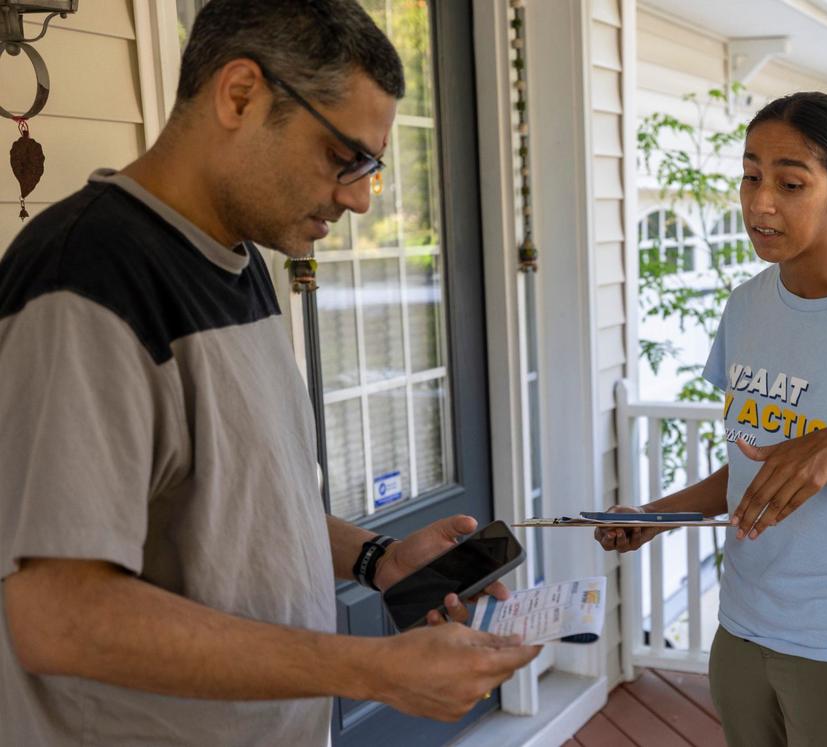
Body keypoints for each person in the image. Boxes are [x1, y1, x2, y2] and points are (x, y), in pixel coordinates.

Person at [0, 2, 539, 745]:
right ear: (241, 95)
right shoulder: (86, 279)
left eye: (371, 169)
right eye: (346, 156)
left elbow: (239, 511)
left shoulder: (238, 257)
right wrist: (371, 668)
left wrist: (378, 558)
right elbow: (59, 617)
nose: (357, 196)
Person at [596, 92, 827, 747]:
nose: (759, 202)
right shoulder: (746, 308)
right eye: (750, 176)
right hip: (742, 629)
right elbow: (753, 469)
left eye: (790, 182)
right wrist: (654, 517)